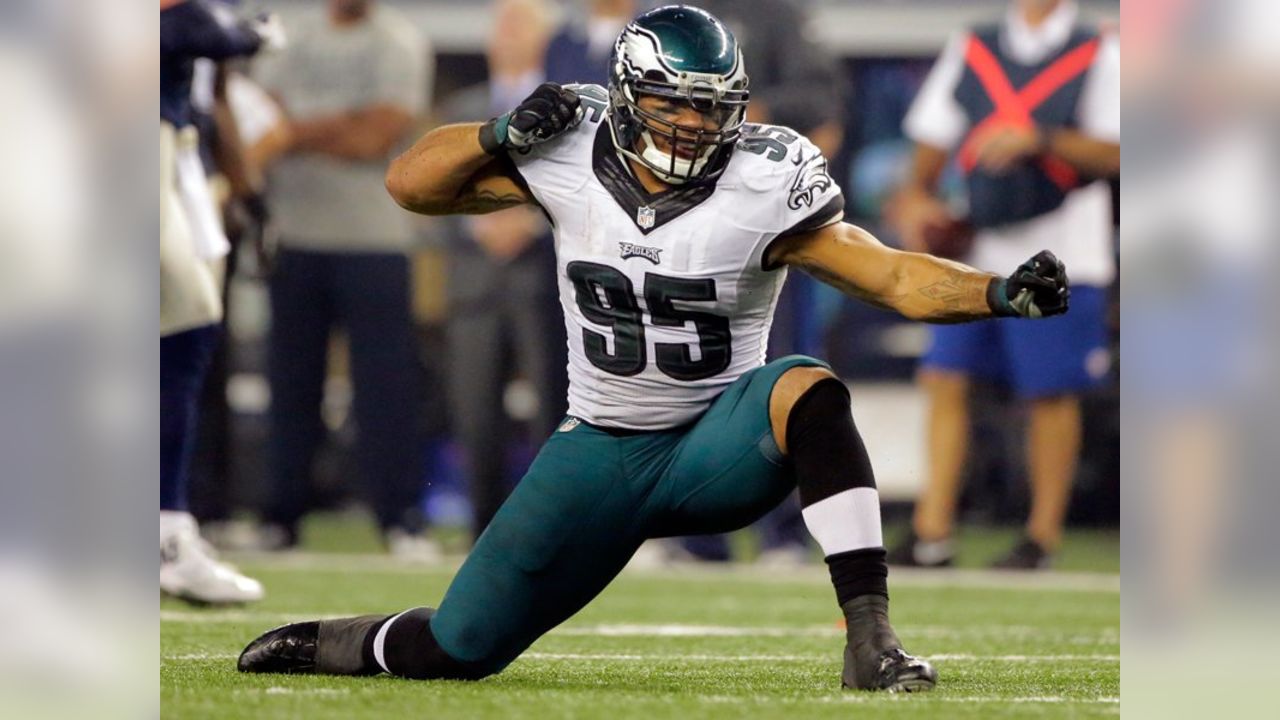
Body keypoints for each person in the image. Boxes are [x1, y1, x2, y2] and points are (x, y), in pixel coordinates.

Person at [238, 5, 1069, 691]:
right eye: (676, 102)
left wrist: (995, 292)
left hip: (717, 447)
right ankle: (328, 641)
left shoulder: (763, 179)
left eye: (713, 104)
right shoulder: (568, 149)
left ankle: (871, 641)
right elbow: (410, 185)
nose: (697, 121)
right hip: (596, 450)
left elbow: (889, 275)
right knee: (456, 648)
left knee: (805, 385)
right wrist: (499, 133)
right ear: (630, 95)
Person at [886, 0, 1119, 569]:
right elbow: (926, 153)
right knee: (945, 375)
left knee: (1047, 392)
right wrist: (919, 205)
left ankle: (1041, 537)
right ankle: (932, 529)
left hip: (1066, 249)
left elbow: (1118, 151)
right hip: (980, 250)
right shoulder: (976, 45)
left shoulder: (1098, 49)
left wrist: (1040, 138)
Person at [252, 0, 437, 559]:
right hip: (294, 234)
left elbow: (376, 136)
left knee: (385, 389)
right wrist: (338, 124)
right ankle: (281, 518)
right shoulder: (292, 38)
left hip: (374, 240)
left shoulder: (398, 40)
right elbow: (262, 124)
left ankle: (400, 518)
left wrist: (295, 132)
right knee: (289, 386)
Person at [160, 0, 282, 603]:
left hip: (176, 153)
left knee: (188, 332)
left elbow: (217, 87)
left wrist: (247, 190)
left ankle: (167, 527)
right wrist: (241, 31)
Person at [439, 0, 569, 541]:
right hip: (474, 280)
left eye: (518, 22)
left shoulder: (572, 112)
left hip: (546, 279)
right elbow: (432, 187)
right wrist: (478, 224)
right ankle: (483, 530)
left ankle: (553, 526)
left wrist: (532, 223)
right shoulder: (464, 107)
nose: (505, 33)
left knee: (556, 409)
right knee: (473, 411)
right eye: (500, 23)